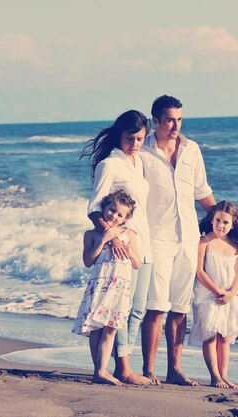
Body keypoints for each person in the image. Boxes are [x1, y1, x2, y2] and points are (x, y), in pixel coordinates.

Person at [140, 95, 216, 386]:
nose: (175, 126)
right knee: (156, 307)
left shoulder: (192, 150)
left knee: (180, 309)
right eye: (169, 119)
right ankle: (148, 370)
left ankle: (175, 369)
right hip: (156, 239)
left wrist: (228, 220)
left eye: (179, 119)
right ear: (155, 121)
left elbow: (202, 191)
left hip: (188, 240)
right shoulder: (142, 152)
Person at [80, 110, 154, 385]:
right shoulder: (110, 164)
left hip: (141, 242)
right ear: (119, 134)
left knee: (138, 309)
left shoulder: (138, 162)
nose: (134, 143)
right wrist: (112, 237)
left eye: (140, 138)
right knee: (120, 309)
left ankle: (124, 363)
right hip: (119, 247)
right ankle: (122, 367)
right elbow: (94, 208)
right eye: (130, 138)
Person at [72, 190, 142, 386]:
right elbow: (88, 261)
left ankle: (102, 370)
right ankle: (99, 371)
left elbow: (137, 263)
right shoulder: (91, 234)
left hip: (119, 288)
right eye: (112, 210)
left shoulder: (129, 234)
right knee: (96, 327)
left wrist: (129, 251)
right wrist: (103, 239)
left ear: (125, 219)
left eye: (120, 214)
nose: (114, 216)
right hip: (101, 285)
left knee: (111, 328)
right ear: (104, 208)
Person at [189, 201, 238, 388]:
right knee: (211, 334)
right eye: (217, 221)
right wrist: (217, 290)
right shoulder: (204, 241)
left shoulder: (236, 246)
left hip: (227, 297)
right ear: (212, 220)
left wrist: (230, 294)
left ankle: (224, 376)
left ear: (233, 224)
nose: (220, 226)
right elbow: (199, 271)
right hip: (208, 295)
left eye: (225, 222)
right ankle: (214, 376)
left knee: (224, 336)